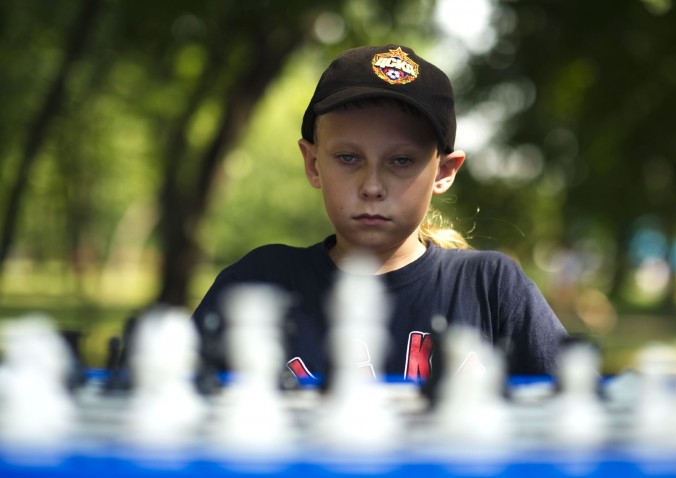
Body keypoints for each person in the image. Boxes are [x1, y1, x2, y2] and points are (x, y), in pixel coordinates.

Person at [192, 44, 568, 384]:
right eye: (348, 158)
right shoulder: (258, 283)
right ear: (313, 163)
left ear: (444, 171)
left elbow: (574, 410)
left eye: (401, 161)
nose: (372, 186)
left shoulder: (491, 289)